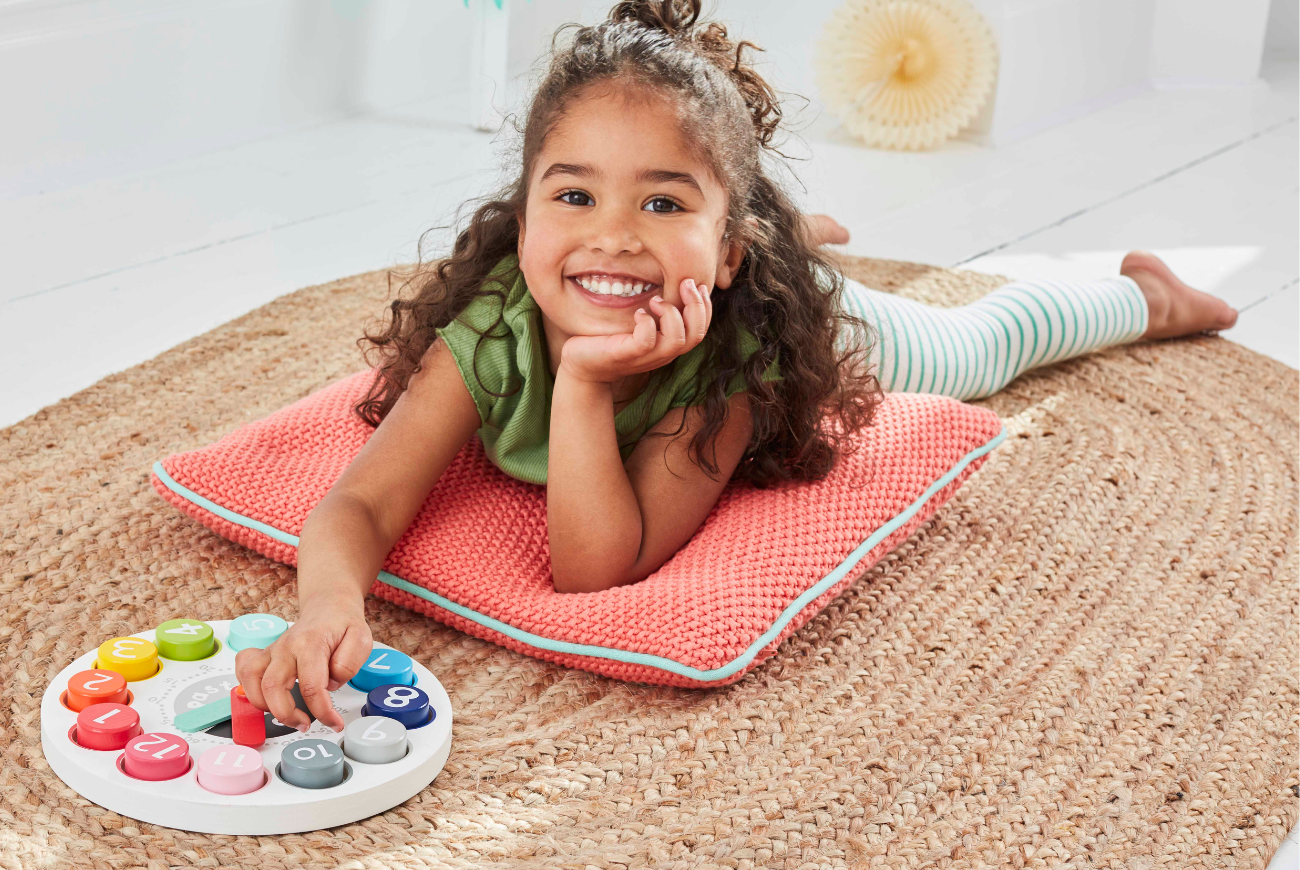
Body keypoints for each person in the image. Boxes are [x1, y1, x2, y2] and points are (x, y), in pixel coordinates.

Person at [234, 0, 1238, 733]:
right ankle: (778, 224)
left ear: (722, 255)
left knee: (975, 348)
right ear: (527, 209)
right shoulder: (499, 321)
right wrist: (329, 599)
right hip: (733, 254)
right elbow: (361, 504)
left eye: (663, 203)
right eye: (574, 197)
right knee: (684, 246)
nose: (614, 236)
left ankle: (1141, 296)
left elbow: (594, 572)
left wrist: (583, 386)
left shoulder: (736, 365)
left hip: (799, 317)